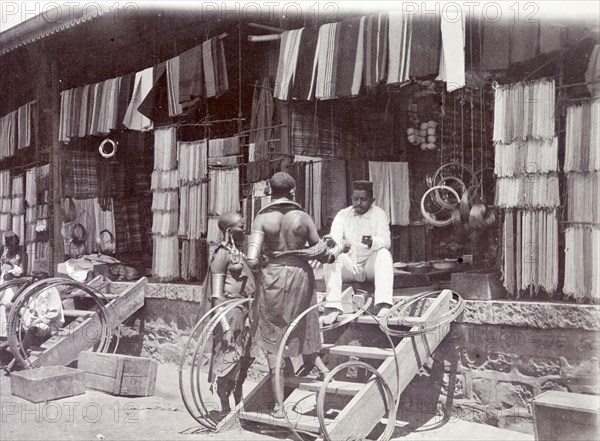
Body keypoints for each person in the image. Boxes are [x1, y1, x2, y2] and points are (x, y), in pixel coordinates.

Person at [247, 172, 332, 418]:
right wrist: (331, 251)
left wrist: (265, 260)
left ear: (270, 191)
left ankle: (278, 407)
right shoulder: (302, 217)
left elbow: (252, 260)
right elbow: (320, 252)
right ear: (293, 191)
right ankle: (322, 369)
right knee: (303, 322)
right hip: (300, 277)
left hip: (273, 277)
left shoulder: (262, 219)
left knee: (273, 331)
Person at [321, 180, 394, 324]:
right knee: (331, 257)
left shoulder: (379, 214)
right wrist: (332, 241)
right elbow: (335, 236)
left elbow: (386, 241)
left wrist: (372, 241)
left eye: (363, 199)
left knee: (384, 254)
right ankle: (333, 306)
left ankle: (384, 304)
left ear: (372, 200)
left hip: (370, 266)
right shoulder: (343, 214)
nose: (358, 203)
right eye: (355, 199)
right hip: (351, 266)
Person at [206, 212, 256, 417]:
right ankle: (225, 407)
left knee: (243, 360)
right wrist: (225, 327)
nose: (244, 230)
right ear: (229, 231)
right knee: (228, 359)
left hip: (245, 313)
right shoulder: (221, 254)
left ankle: (239, 402)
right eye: (241, 226)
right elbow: (216, 296)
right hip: (230, 314)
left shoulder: (239, 253)